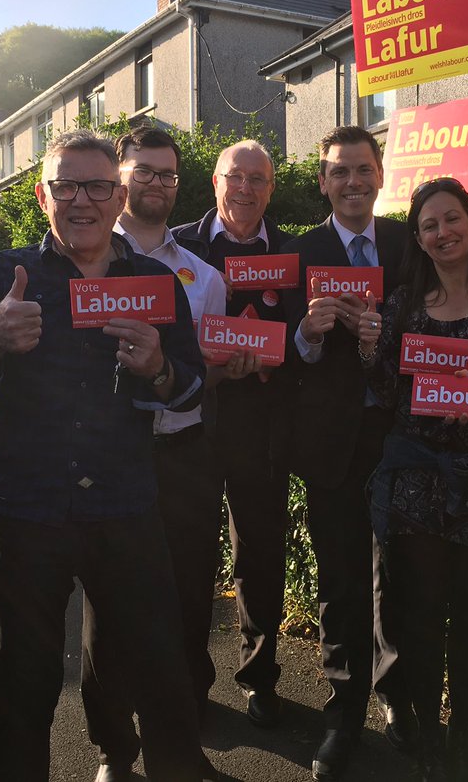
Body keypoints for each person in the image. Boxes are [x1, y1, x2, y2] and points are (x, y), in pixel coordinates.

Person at [0, 129, 215, 782]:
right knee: (24, 685)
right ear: (43, 196)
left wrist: (158, 370)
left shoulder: (153, 280)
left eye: (96, 186)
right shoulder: (6, 273)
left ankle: (143, 763)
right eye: (66, 186)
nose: (82, 200)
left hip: (124, 502)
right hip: (25, 505)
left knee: (159, 672)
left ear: (119, 196)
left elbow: (193, 381)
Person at [81, 126, 244, 781]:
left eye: (167, 174)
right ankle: (113, 750)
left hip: (184, 456)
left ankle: (177, 747)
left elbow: (204, 371)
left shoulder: (204, 276)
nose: (156, 183)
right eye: (143, 171)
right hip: (113, 456)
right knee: (108, 609)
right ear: (120, 179)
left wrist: (229, 364)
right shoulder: (88, 262)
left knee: (185, 605)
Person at [363, 179, 468, 781]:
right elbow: (382, 392)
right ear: (419, 239)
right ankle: (427, 738)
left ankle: (463, 739)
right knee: (420, 616)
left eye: (452, 219)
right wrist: (371, 350)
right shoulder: (402, 303)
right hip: (418, 479)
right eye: (429, 225)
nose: (442, 233)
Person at [280, 126, 408, 781]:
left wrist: (381, 341)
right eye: (340, 172)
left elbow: (431, 328)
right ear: (324, 182)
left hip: (400, 441)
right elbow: (279, 351)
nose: (353, 182)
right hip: (330, 446)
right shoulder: (298, 253)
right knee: (340, 585)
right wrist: (305, 333)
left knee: (398, 580)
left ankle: (396, 700)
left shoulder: (406, 243)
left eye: (363, 170)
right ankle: (342, 712)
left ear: (380, 173)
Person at [172, 140, 294, 728]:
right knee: (191, 557)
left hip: (263, 426)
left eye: (257, 179)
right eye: (234, 177)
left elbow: (305, 339)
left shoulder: (293, 253)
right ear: (214, 183)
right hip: (192, 422)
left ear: (271, 189)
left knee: (261, 555)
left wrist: (284, 354)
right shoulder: (178, 246)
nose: (245, 188)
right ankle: (189, 682)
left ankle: (261, 678)